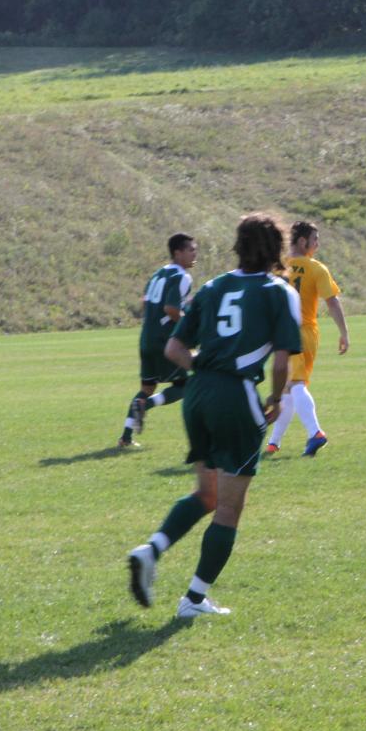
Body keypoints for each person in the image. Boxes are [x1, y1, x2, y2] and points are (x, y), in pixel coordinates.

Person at [127, 212, 302, 618]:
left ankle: (150, 549)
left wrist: (205, 374)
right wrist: (275, 398)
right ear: (277, 247)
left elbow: (174, 350)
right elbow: (281, 360)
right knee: (228, 507)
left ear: (238, 246)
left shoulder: (213, 286)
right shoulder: (279, 291)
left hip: (197, 395)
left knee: (206, 493)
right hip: (236, 395)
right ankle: (193, 599)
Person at [264, 221, 350, 457]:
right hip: (306, 332)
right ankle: (276, 441)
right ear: (303, 242)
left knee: (293, 386)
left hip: (285, 334)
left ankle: (314, 434)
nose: (317, 244)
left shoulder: (277, 268)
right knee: (291, 389)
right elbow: (331, 301)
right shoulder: (315, 268)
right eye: (315, 239)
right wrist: (344, 332)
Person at [118, 233, 198, 448]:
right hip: (165, 341)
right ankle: (147, 405)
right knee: (184, 384)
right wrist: (187, 331)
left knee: (147, 386)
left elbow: (146, 302)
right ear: (177, 253)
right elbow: (171, 308)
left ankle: (125, 438)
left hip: (146, 338)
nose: (194, 254)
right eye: (191, 249)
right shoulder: (182, 277)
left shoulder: (158, 273)